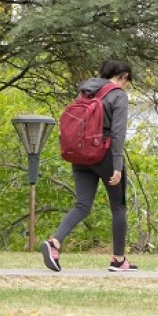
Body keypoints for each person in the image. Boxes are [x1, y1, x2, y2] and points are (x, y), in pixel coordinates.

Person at [41, 59, 138, 272]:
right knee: (118, 207)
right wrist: (117, 165)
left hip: (80, 155)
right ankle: (118, 260)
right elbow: (118, 133)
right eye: (128, 81)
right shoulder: (118, 95)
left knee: (82, 205)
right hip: (105, 155)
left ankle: (54, 243)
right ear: (123, 77)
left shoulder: (85, 92)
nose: (127, 85)